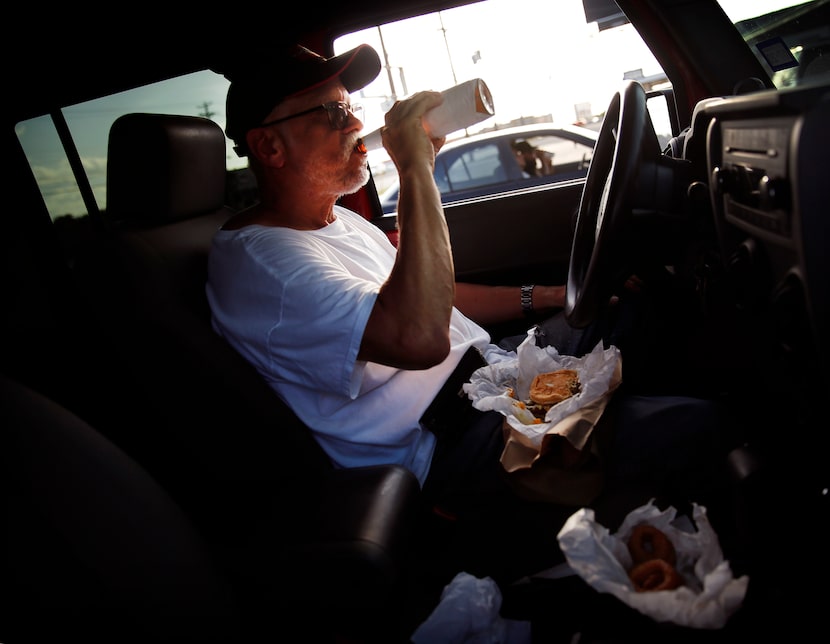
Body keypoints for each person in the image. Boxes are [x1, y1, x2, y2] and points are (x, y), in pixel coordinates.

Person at [207, 43, 727, 587]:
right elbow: (420, 334)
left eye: (349, 105)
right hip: (462, 448)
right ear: (269, 145)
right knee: (698, 429)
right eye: (333, 112)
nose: (357, 121)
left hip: (496, 384)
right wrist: (415, 171)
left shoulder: (334, 221)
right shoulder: (263, 265)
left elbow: (437, 298)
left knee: (642, 312)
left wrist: (550, 295)